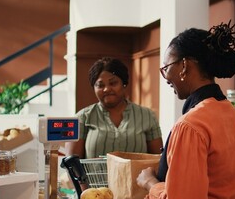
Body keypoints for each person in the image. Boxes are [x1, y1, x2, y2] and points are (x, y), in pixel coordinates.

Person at [137, 21, 235, 199]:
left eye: (166, 68)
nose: (166, 78)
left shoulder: (190, 126)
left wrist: (150, 183)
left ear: (184, 66)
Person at [64, 57, 163, 189]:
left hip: (137, 195)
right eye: (100, 85)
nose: (106, 89)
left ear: (124, 83)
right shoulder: (83, 118)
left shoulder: (146, 116)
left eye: (113, 83)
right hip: (96, 195)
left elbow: (157, 161)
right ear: (93, 87)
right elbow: (72, 164)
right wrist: (85, 196)